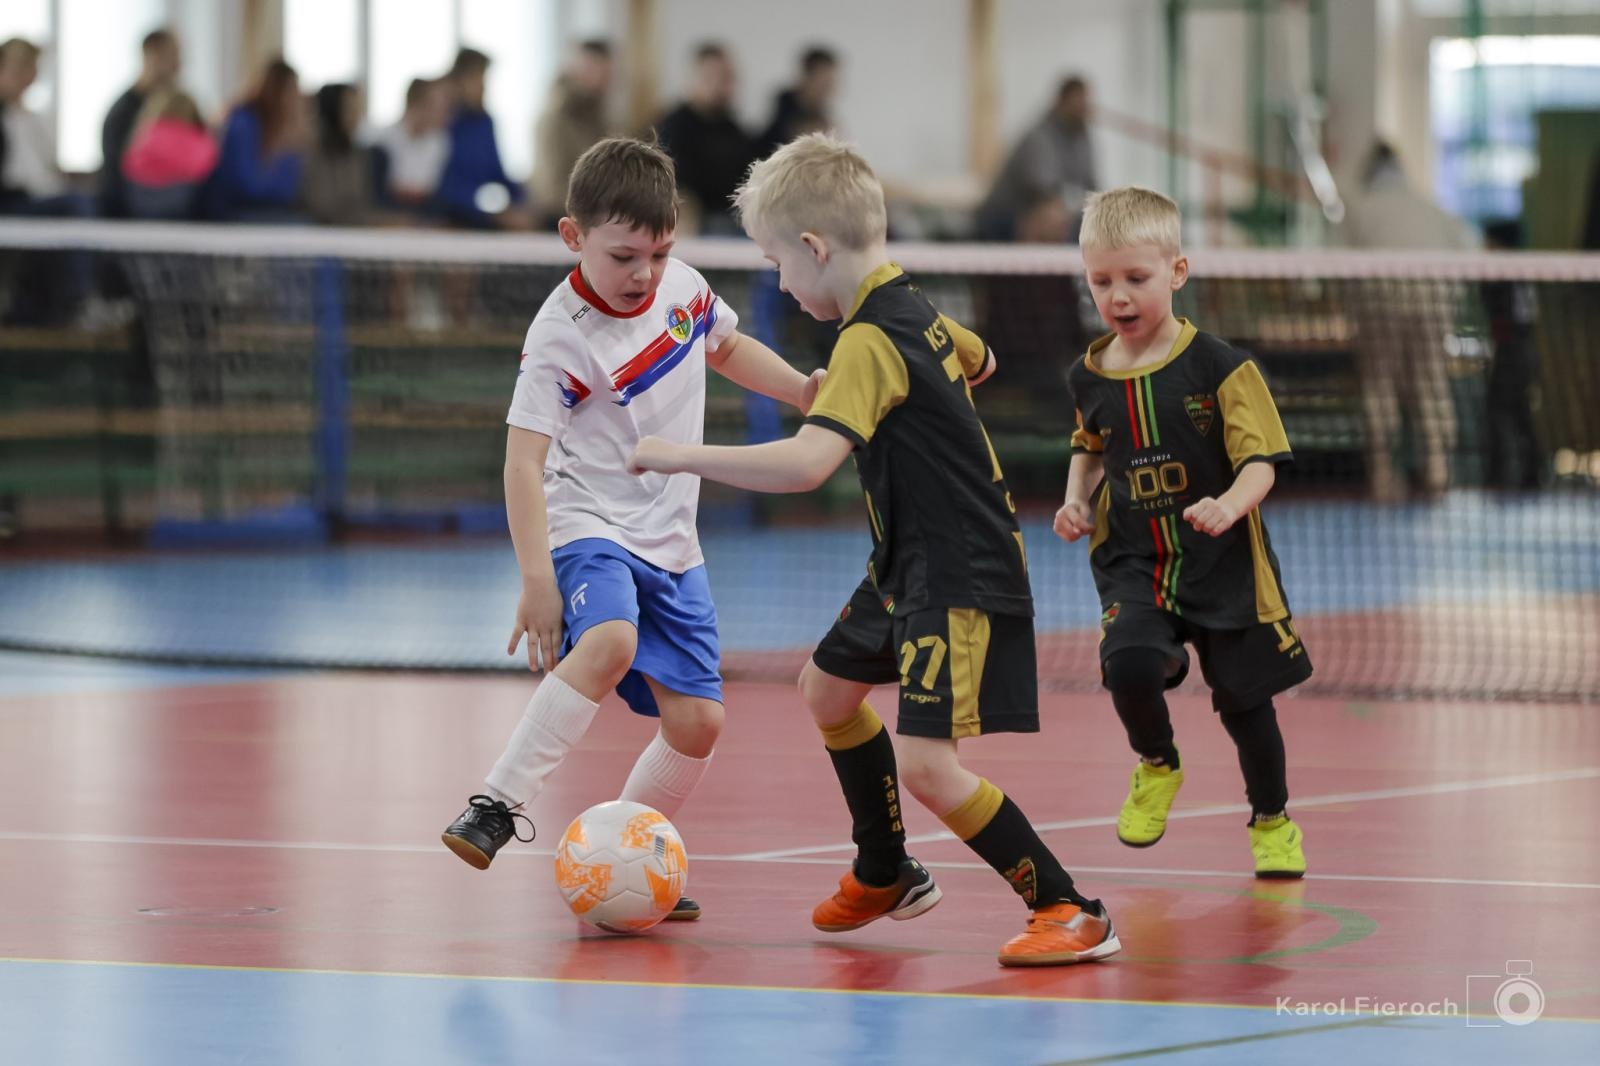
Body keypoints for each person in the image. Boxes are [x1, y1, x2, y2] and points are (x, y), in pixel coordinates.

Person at [629, 134, 1121, 968]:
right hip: (907, 561)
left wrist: (683, 454)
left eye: (780, 262)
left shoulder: (867, 340)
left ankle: (1070, 907)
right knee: (827, 689)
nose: (780, 281)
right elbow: (982, 357)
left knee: (929, 765)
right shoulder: (912, 307)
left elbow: (806, 464)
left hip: (958, 568)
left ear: (816, 249)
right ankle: (886, 868)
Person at [440, 138, 823, 924]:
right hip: (588, 520)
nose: (644, 274)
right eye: (623, 256)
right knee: (609, 643)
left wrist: (802, 393)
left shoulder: (680, 287)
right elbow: (521, 464)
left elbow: (726, 346)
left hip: (672, 538)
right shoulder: (561, 335)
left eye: (658, 252)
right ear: (572, 237)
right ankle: (493, 804)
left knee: (699, 721)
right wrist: (537, 581)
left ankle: (625, 849)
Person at [1054, 186, 1312, 878]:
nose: (1119, 296)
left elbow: (1261, 463)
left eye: (1136, 278)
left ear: (1177, 272)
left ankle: (1272, 818)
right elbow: (1088, 446)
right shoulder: (1088, 374)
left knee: (1245, 704)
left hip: (1224, 563)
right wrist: (1077, 500)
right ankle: (1158, 763)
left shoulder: (1222, 368)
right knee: (1128, 665)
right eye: (1101, 281)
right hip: (1134, 560)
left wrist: (1229, 505)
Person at [1340, 141, 1478, 501]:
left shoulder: (1359, 211)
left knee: (1379, 384)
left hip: (1379, 302)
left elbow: (1333, 264)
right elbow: (1471, 251)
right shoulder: (1432, 209)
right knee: (1430, 381)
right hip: (1431, 301)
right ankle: (1437, 468)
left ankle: (1384, 475)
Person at [976, 75, 1096, 242]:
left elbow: (1091, 184)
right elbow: (1042, 188)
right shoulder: (1039, 136)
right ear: (1062, 101)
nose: (1083, 107)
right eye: (1078, 100)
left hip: (1046, 213)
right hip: (1007, 215)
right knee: (1053, 215)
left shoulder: (1081, 136)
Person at [654, 43, 756, 236]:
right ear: (694, 78)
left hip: (734, 218)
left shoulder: (733, 129)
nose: (720, 86)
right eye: (712, 77)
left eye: (727, 78)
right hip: (693, 223)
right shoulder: (672, 127)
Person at [201, 57, 307, 222]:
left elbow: (288, 192)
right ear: (275, 91)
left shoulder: (283, 133)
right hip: (230, 213)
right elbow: (247, 187)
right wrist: (283, 154)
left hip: (261, 212)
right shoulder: (242, 124)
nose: (295, 100)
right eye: (291, 91)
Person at [437, 48, 529, 229]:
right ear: (458, 82)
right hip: (456, 218)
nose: (482, 87)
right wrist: (490, 210)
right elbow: (446, 187)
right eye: (476, 80)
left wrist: (521, 202)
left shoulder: (485, 123)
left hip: (491, 215)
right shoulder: (443, 123)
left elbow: (496, 174)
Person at [530, 39, 613, 228]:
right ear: (576, 71)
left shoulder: (603, 120)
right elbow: (549, 190)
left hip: (595, 221)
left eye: (607, 74)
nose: (603, 81)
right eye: (595, 72)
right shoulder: (553, 121)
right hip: (558, 222)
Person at [100, 28, 181, 218]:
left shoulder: (176, 109)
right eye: (173, 55)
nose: (179, 64)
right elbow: (117, 175)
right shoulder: (123, 112)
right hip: (130, 213)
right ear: (151, 55)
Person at [121, 89, 217, 219]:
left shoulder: (145, 133)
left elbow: (129, 165)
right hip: (183, 205)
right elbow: (204, 166)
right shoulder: (196, 138)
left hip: (140, 204)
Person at [302, 83, 378, 226]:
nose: (357, 115)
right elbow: (321, 208)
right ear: (333, 111)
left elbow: (362, 202)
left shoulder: (359, 155)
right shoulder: (310, 153)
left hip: (354, 233)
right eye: (350, 108)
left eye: (358, 108)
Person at [371, 77, 450, 215]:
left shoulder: (440, 143)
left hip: (425, 217)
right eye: (435, 106)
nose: (442, 112)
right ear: (416, 104)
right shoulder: (383, 140)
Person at [755, 46, 838, 158]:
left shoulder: (821, 117)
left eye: (831, 82)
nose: (829, 89)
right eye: (824, 82)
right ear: (806, 77)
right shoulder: (786, 124)